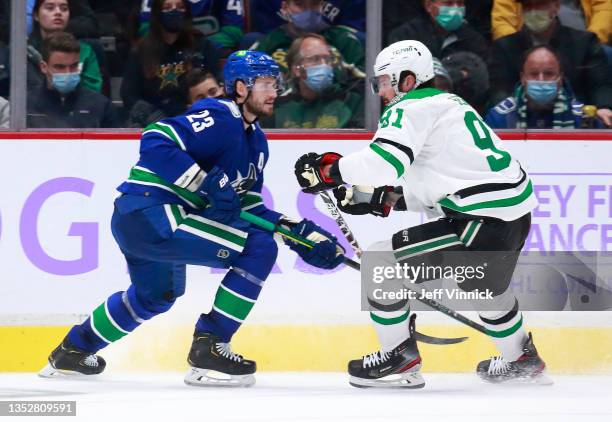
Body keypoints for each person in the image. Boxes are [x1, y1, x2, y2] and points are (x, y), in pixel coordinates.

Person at [39, 50, 344, 387]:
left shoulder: (257, 143)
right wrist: (203, 183)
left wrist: (298, 233)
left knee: (156, 296)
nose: (275, 92)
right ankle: (211, 346)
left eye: (276, 84)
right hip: (152, 212)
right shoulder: (220, 114)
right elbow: (156, 138)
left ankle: (73, 350)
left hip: (142, 221)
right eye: (266, 84)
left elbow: (250, 207)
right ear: (241, 88)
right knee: (258, 248)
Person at [293, 40, 549, 388]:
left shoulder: (408, 108)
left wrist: (331, 170)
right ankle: (522, 360)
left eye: (384, 81)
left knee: (381, 265)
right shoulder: (449, 105)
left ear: (408, 80)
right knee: (487, 290)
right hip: (512, 218)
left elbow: (381, 165)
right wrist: (383, 199)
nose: (381, 91)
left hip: (479, 222)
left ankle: (398, 358)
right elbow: (447, 183)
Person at [489, 0, 612, 126]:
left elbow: (599, 84)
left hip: (575, 119)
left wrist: (603, 106)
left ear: (556, 6)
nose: (533, 11)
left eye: (540, 5)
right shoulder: (505, 45)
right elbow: (500, 89)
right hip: (520, 118)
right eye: (527, 6)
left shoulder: (584, 42)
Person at [121, 0, 220, 128]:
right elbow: (128, 94)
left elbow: (216, 83)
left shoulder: (202, 46)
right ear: (157, 13)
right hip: (153, 123)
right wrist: (154, 119)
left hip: (196, 120)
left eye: (180, 7)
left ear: (187, 12)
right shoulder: (141, 51)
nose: (174, 11)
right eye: (167, 7)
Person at [269, 33, 363, 128]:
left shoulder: (351, 101)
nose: (324, 65)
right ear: (297, 69)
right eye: (315, 59)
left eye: (327, 59)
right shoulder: (278, 108)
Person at [27, 32, 119, 128]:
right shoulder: (26, 106)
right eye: (60, 67)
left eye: (73, 66)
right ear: (43, 67)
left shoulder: (101, 106)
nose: (68, 72)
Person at [251, 0, 364, 76]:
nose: (308, 11)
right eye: (300, 4)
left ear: (322, 7)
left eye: (314, 4)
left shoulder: (344, 40)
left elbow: (363, 81)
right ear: (285, 7)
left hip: (338, 105)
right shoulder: (269, 43)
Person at [485, 45, 588, 129]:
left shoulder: (582, 117)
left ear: (560, 78)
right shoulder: (499, 117)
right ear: (523, 78)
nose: (541, 80)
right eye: (534, 74)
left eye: (549, 73)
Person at [28, 0, 103, 92]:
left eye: (64, 9)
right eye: (50, 8)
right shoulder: (25, 52)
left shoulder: (85, 51)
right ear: (36, 15)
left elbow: (93, 92)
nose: (58, 12)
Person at [387, 0, 490, 64]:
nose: (455, 8)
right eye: (448, 3)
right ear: (428, 6)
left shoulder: (474, 39)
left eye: (460, 3)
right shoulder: (406, 36)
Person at [137, 0, 245, 56]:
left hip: (212, 49)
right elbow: (146, 29)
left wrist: (199, 44)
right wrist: (174, 43)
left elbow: (233, 32)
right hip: (166, 47)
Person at [492, 0, 612, 45]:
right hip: (529, 45)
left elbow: (604, 8)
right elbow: (502, 21)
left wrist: (593, 41)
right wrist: (518, 48)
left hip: (582, 41)